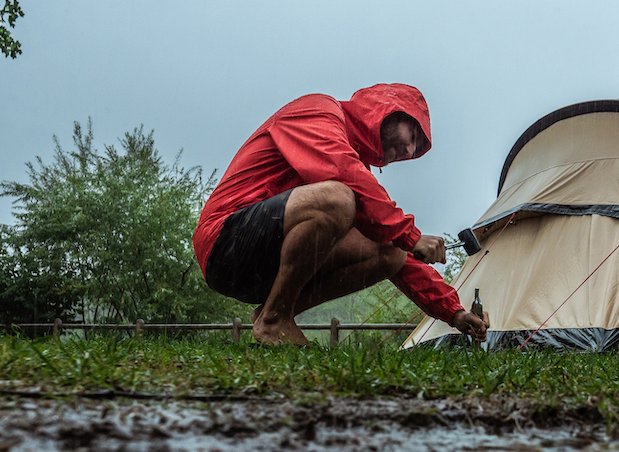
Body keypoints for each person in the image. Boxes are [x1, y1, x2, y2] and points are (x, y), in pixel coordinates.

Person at [193, 83, 490, 346]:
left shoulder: (358, 175)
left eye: (415, 150)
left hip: (267, 266)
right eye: (412, 134)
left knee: (391, 252)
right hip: (226, 243)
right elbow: (341, 170)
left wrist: (455, 312)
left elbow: (398, 248)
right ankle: (276, 318)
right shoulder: (319, 111)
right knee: (339, 198)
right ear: (387, 110)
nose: (409, 149)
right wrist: (412, 235)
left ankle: (274, 315)